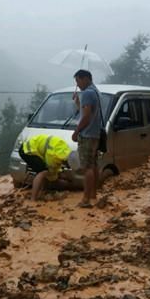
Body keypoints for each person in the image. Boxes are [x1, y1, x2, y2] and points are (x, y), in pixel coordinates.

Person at [71, 69, 103, 207]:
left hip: (87, 135)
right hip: (95, 134)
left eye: (78, 81)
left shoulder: (88, 93)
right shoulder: (95, 91)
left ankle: (85, 199)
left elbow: (86, 117)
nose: (77, 85)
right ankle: (93, 195)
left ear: (85, 78)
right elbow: (87, 111)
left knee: (87, 167)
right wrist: (78, 102)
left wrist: (76, 132)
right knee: (94, 165)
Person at [19, 134, 78, 200]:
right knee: (43, 171)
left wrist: (61, 174)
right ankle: (33, 198)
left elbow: (57, 168)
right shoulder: (53, 157)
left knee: (44, 170)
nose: (68, 167)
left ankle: (41, 192)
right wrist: (66, 184)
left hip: (34, 146)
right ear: (67, 162)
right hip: (27, 150)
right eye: (69, 166)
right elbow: (51, 177)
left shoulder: (65, 151)